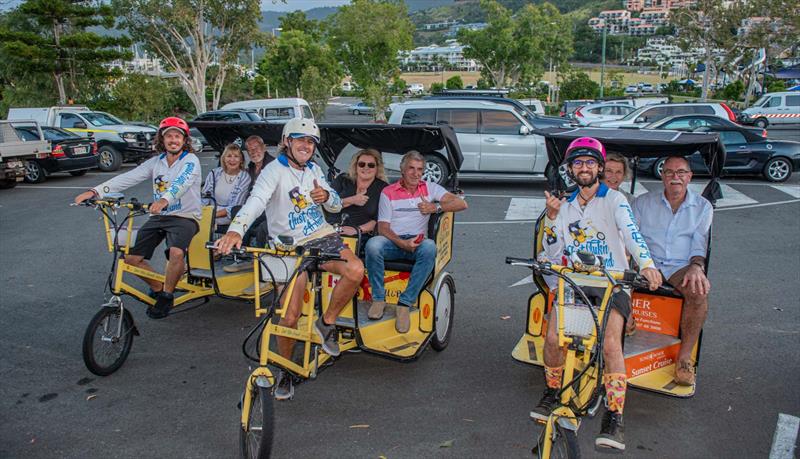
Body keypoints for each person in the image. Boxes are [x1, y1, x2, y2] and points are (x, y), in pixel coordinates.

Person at [214, 118, 364, 400]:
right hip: (286, 246)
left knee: (355, 269)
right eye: (300, 140)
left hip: (320, 235)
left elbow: (333, 201)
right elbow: (256, 201)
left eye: (310, 142)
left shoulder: (314, 169)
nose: (306, 145)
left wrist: (326, 197)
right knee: (289, 315)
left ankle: (326, 323)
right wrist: (235, 229)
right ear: (287, 142)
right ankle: (284, 370)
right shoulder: (273, 172)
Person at [532, 137, 662, 452]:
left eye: (591, 163)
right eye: (578, 163)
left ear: (600, 168)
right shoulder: (563, 204)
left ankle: (614, 416)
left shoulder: (615, 199)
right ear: (570, 169)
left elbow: (632, 233)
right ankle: (552, 392)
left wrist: (647, 265)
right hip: (574, 283)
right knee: (552, 340)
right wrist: (550, 219)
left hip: (612, 283)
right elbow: (552, 250)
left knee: (610, 344)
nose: (585, 168)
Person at [73, 117, 201, 320]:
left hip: (185, 216)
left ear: (184, 140)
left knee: (176, 253)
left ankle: (167, 296)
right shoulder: (156, 162)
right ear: (162, 139)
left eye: (177, 136)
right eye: (169, 136)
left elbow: (181, 183)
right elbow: (128, 177)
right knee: (131, 259)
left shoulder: (190, 161)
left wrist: (165, 200)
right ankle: (160, 288)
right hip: (159, 216)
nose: (173, 140)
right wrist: (94, 192)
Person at [364, 151, 468, 332]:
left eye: (420, 169)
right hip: (394, 242)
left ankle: (405, 303)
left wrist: (435, 207)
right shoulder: (388, 192)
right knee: (373, 245)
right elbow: (383, 228)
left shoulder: (429, 188)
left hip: (418, 242)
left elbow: (461, 204)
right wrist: (402, 243)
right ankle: (379, 299)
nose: (415, 173)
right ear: (402, 169)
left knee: (429, 247)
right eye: (411, 168)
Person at [633, 156, 713, 387]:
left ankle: (685, 358)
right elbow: (633, 238)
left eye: (680, 172)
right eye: (669, 172)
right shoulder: (643, 202)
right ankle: (624, 325)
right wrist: (644, 264)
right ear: (662, 176)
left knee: (699, 293)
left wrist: (697, 267)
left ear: (690, 176)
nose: (675, 177)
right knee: (614, 278)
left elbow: (700, 242)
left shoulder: (702, 207)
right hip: (647, 262)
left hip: (681, 265)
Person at [224, 135, 272, 272]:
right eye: (250, 150)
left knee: (261, 223)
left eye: (256, 148)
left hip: (269, 207)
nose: (253, 152)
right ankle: (242, 256)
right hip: (254, 206)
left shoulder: (273, 165)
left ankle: (259, 260)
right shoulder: (250, 167)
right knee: (236, 210)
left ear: (264, 148)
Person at [327, 148, 388, 236]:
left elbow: (380, 220)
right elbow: (328, 203)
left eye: (371, 165)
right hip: (331, 230)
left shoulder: (383, 188)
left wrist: (356, 230)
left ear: (377, 168)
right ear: (355, 166)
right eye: (361, 164)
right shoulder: (342, 179)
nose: (366, 167)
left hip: (361, 235)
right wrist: (352, 200)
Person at [201, 143, 251, 232]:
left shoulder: (245, 177)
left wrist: (213, 215)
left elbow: (235, 206)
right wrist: (203, 214)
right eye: (229, 156)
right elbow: (204, 198)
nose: (232, 160)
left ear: (241, 160)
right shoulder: (214, 173)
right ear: (223, 159)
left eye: (236, 156)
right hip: (209, 215)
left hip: (229, 219)